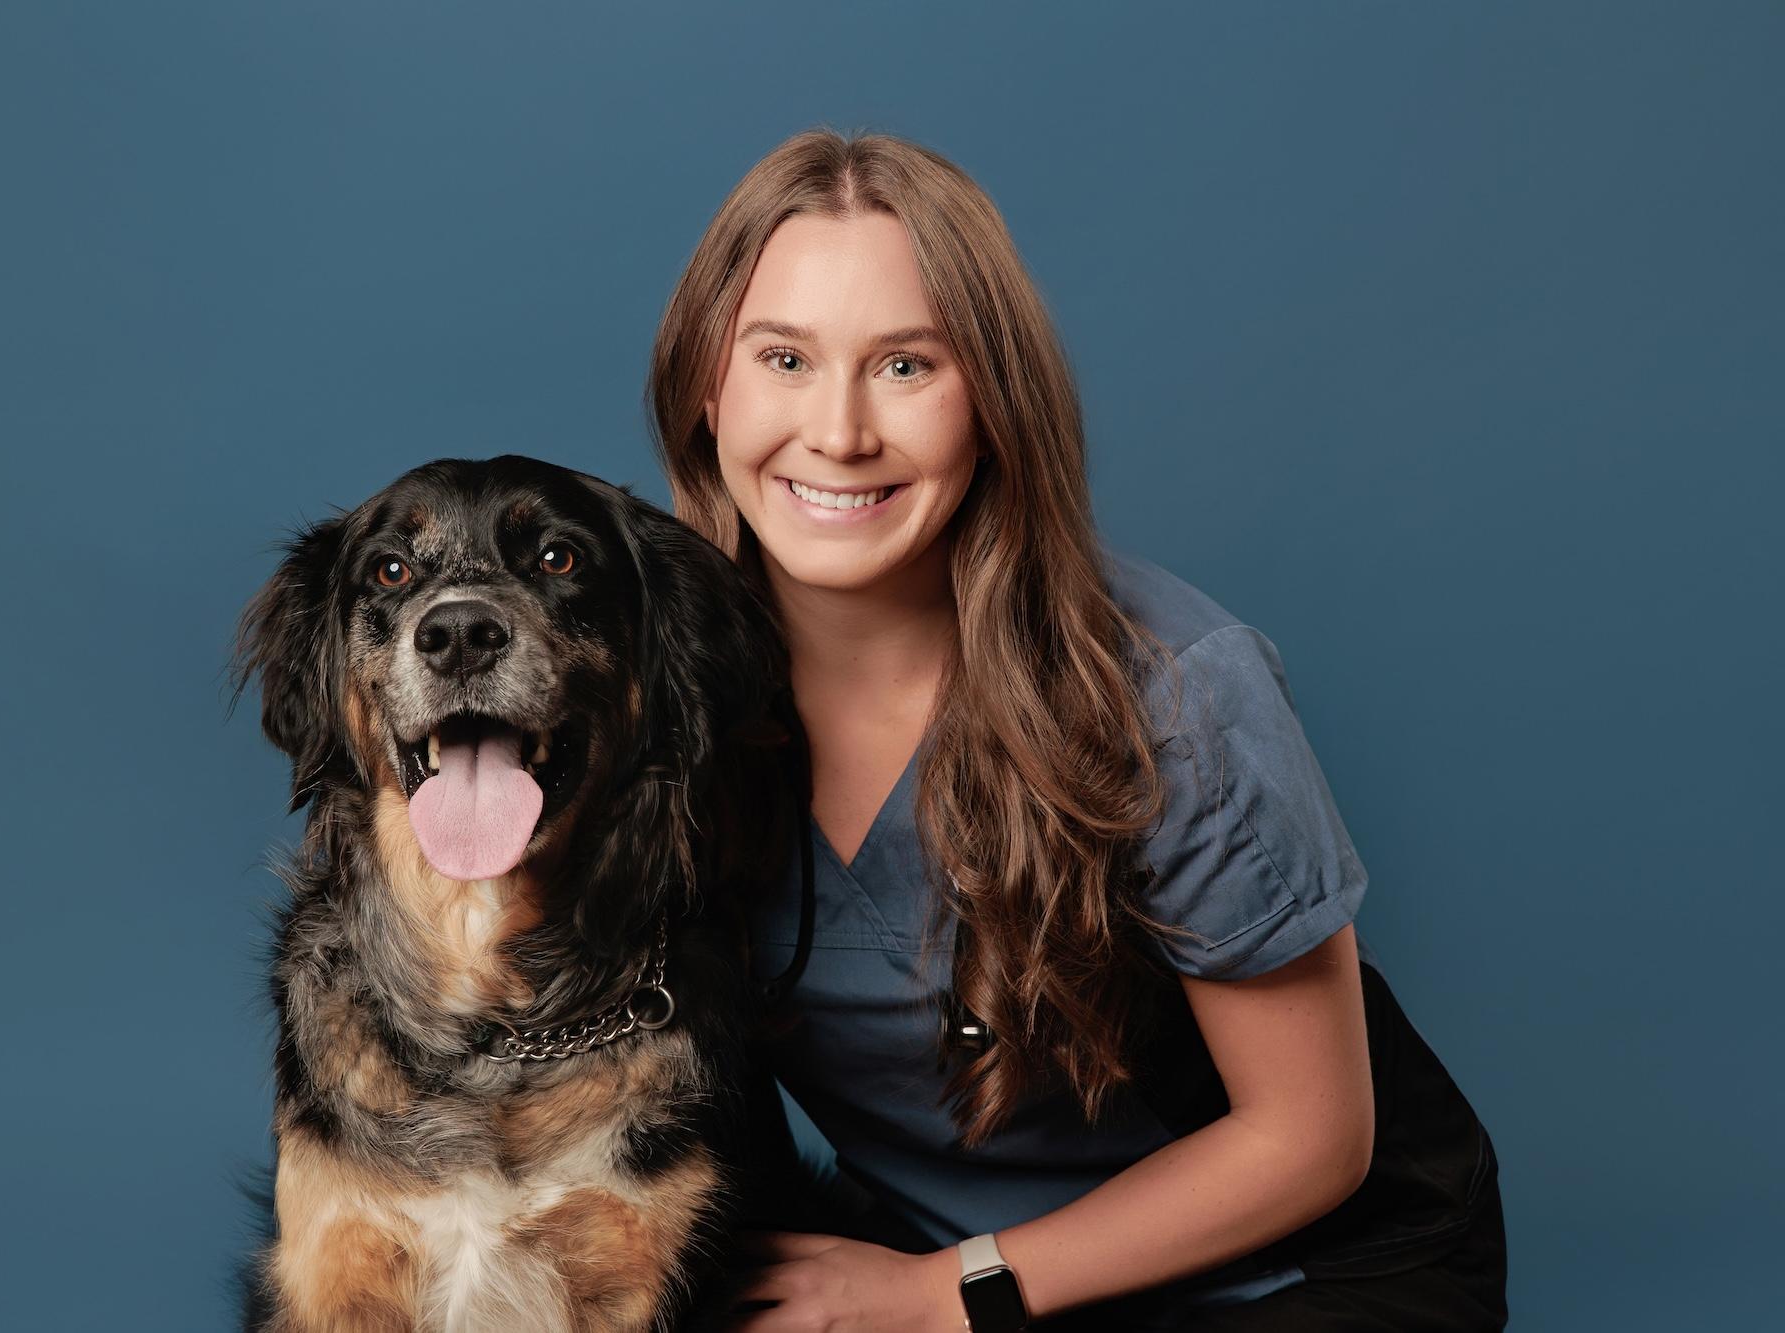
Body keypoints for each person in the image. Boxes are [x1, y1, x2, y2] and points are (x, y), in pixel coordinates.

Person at [645, 129, 1507, 1331]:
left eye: (905, 366)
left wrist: (944, 1294)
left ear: (993, 403)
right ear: (706, 385)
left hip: (1296, 1273)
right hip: (934, 1269)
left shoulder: (1175, 692)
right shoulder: (642, 690)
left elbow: (1311, 1137)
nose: (837, 432)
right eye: (783, 358)